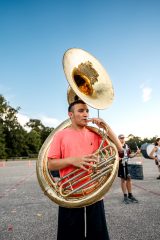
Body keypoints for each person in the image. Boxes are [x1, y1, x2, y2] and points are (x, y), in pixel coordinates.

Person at [47, 99, 122, 240]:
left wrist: (107, 127)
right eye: (81, 111)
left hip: (95, 193)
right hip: (70, 195)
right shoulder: (60, 135)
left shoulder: (95, 133)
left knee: (98, 236)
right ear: (70, 114)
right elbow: (51, 165)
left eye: (87, 111)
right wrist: (72, 160)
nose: (85, 114)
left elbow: (118, 148)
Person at [118, 134, 141, 204]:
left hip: (128, 164)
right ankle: (125, 196)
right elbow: (115, 156)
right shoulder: (116, 146)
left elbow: (129, 155)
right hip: (121, 164)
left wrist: (136, 153)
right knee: (123, 180)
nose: (122, 139)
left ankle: (130, 195)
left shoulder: (127, 146)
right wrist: (120, 159)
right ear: (118, 139)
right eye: (121, 138)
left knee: (129, 178)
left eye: (123, 138)